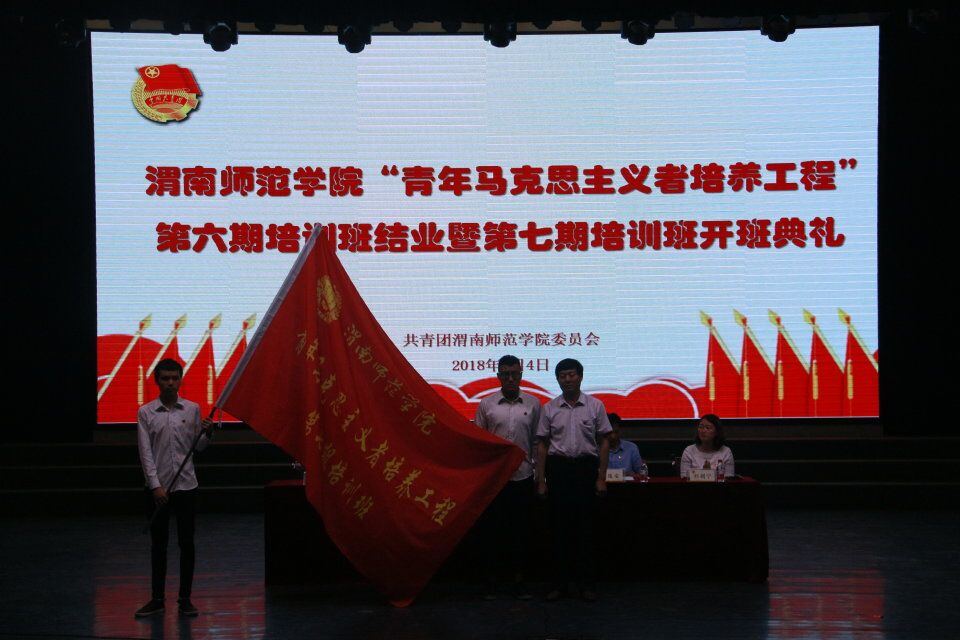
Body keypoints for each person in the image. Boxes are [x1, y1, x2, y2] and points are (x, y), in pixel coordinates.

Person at [135, 358, 213, 618]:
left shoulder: (192, 409)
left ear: (180, 380)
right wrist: (155, 486)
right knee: (159, 545)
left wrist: (207, 433)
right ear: (157, 381)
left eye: (174, 378)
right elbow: (145, 453)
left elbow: (198, 447)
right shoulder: (146, 412)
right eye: (165, 378)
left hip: (186, 486)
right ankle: (157, 599)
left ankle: (185, 599)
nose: (170, 383)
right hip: (158, 489)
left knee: (186, 543)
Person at [535, 358, 612, 602]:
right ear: (557, 380)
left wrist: (601, 477)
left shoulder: (595, 406)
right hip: (558, 471)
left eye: (572, 375)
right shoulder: (549, 408)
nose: (567, 379)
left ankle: (585, 584)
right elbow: (542, 445)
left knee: (585, 530)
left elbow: (604, 441)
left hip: (585, 470)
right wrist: (541, 480)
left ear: (580, 377)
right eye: (563, 376)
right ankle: (559, 585)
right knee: (558, 530)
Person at [474, 355, 541, 600]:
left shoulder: (534, 404)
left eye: (514, 373)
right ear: (498, 376)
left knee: (520, 533)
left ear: (521, 375)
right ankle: (491, 581)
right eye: (505, 374)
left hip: (523, 477)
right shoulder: (486, 404)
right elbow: (479, 443)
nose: (510, 378)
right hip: (494, 480)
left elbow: (537, 442)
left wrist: (538, 474)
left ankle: (519, 581)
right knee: (493, 532)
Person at [680, 414, 735, 479]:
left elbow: (729, 479)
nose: (703, 431)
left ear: (717, 432)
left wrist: (709, 474)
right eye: (701, 427)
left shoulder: (726, 452)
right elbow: (684, 478)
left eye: (708, 428)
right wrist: (705, 474)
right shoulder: (689, 451)